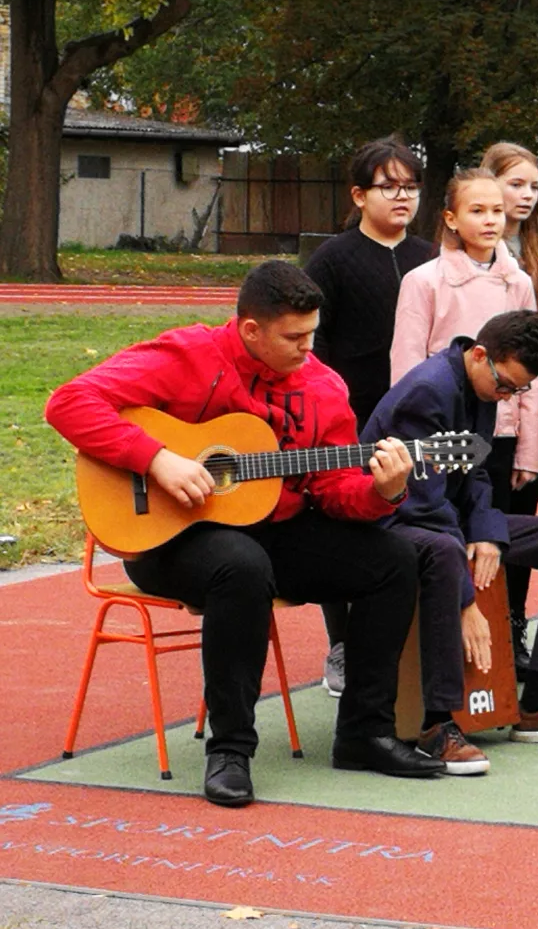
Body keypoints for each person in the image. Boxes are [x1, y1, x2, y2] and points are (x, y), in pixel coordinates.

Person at [44, 262, 439, 806]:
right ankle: (230, 750)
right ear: (250, 329)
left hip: (274, 528)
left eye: (312, 334)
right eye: (293, 336)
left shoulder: (322, 385)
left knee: (393, 558)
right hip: (168, 537)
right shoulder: (187, 356)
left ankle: (365, 733)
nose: (308, 348)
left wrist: (384, 492)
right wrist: (157, 459)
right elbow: (68, 403)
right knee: (242, 565)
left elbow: (335, 490)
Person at [366, 313, 538, 772]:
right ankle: (437, 724)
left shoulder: (479, 384)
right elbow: (417, 502)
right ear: (480, 354)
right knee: (444, 551)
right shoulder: (429, 390)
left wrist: (486, 531)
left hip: (449, 519)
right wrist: (467, 602)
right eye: (506, 386)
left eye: (518, 391)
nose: (508, 397)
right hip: (400, 524)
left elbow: (476, 472)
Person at [392, 170, 538, 674]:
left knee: (496, 543)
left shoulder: (519, 280)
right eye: (477, 211)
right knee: (446, 537)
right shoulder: (423, 281)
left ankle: (507, 643)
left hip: (500, 438)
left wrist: (529, 449)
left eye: (497, 211)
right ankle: (438, 651)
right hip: (440, 434)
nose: (490, 220)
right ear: (451, 219)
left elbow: (532, 376)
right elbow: (407, 365)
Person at [303, 140, 437, 698]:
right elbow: (311, 345)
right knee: (345, 523)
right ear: (359, 195)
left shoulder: (432, 259)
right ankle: (341, 644)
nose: (402, 196)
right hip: (349, 418)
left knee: (417, 526)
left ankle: (416, 646)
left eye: (410, 186)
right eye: (389, 186)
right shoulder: (331, 260)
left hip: (421, 418)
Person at [481, 143, 538, 672]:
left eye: (533, 186)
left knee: (523, 525)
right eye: (514, 183)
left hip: (535, 416)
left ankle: (514, 624)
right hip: (490, 416)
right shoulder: (478, 255)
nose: (525, 195)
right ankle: (484, 626)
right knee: (485, 528)